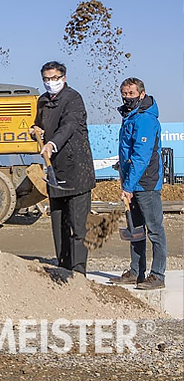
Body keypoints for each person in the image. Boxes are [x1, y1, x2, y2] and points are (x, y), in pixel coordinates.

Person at [30, 61, 95, 275]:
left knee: (77, 225)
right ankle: (63, 267)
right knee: (58, 224)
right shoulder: (42, 101)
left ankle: (78, 271)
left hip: (77, 169)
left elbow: (69, 126)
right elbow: (39, 124)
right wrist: (36, 130)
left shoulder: (73, 99)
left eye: (54, 78)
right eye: (46, 79)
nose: (50, 83)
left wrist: (51, 143)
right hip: (55, 171)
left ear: (63, 78)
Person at [110, 77, 167, 290]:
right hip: (133, 181)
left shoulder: (145, 119)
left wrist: (128, 187)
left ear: (141, 94)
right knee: (136, 228)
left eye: (131, 94)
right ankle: (136, 272)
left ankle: (158, 275)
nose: (127, 97)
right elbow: (129, 150)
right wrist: (122, 167)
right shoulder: (130, 117)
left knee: (154, 230)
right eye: (124, 94)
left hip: (146, 183)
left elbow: (142, 156)